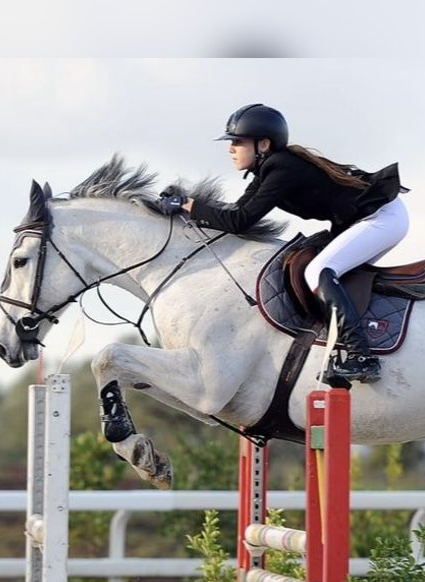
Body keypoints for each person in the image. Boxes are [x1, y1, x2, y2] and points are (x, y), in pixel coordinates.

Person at [157, 103, 409, 385]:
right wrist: (187, 206)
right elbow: (236, 214)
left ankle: (362, 356)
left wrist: (189, 205)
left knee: (318, 271)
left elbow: (241, 221)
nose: (231, 149)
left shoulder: (282, 167)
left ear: (263, 144)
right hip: (364, 220)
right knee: (318, 266)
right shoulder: (266, 170)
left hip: (382, 218)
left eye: (238, 142)